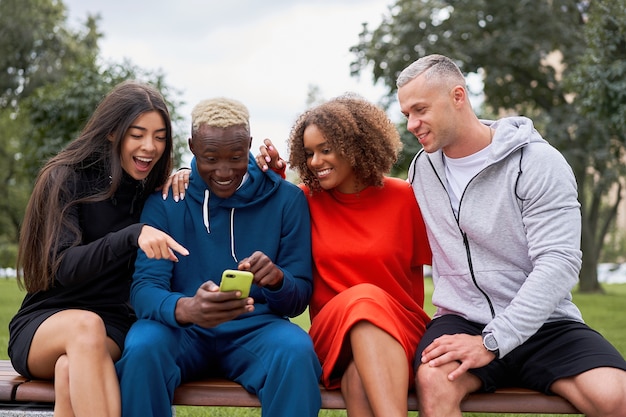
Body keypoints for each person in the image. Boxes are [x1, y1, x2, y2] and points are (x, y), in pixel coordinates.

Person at [397, 53, 626, 417]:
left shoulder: (536, 162)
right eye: (406, 113)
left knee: (617, 397)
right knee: (433, 381)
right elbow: (368, 196)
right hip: (462, 318)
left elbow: (560, 261)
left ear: (458, 96)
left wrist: (493, 341)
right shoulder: (422, 169)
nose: (411, 123)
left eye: (420, 109)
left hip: (546, 322)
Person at [115, 97, 322, 417]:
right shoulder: (167, 201)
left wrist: (278, 280)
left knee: (296, 351)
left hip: (256, 329)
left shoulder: (287, 200)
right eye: (210, 158)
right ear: (192, 146)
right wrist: (187, 308)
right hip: (181, 330)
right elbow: (145, 291)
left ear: (250, 145)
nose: (224, 171)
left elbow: (298, 299)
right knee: (143, 348)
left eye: (237, 157)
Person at [8, 80, 188, 417]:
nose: (149, 146)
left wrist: (183, 172)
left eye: (160, 137)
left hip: (113, 326)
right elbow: (63, 267)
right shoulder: (64, 177)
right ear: (111, 132)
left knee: (68, 371)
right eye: (137, 135)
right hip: (45, 324)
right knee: (83, 327)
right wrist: (131, 235)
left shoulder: (151, 191)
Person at [257, 95, 432, 417]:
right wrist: (274, 176)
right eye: (308, 153)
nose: (314, 161)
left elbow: (425, 277)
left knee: (357, 380)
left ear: (355, 145)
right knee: (364, 298)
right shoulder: (304, 200)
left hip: (400, 331)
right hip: (332, 332)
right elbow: (266, 213)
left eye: (326, 149)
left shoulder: (405, 197)